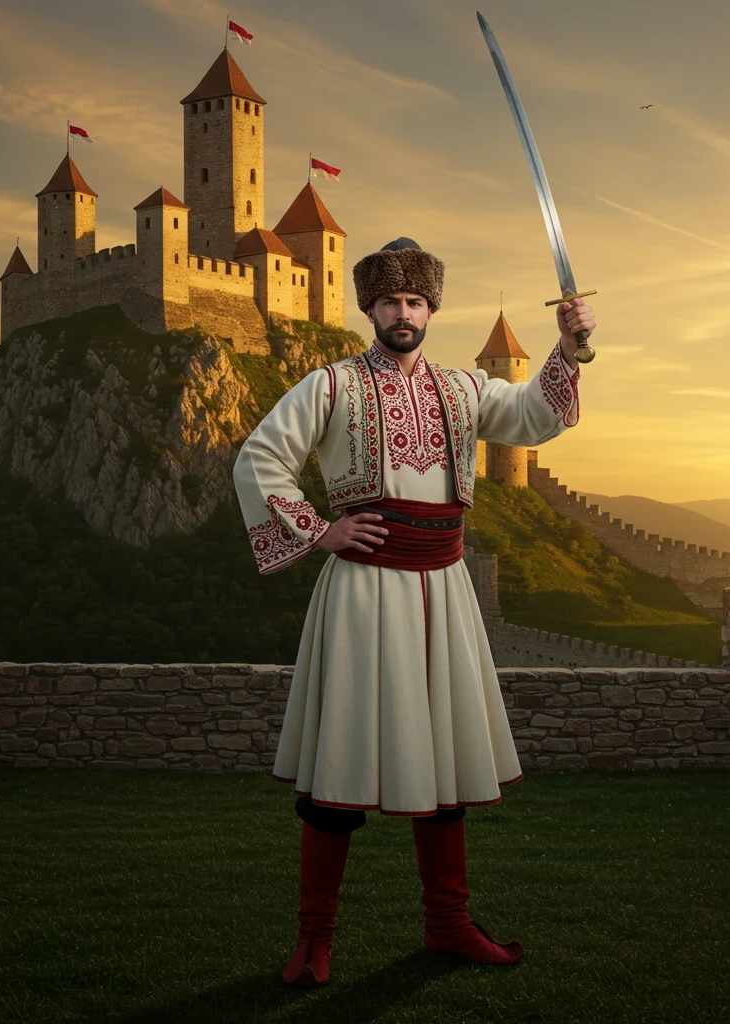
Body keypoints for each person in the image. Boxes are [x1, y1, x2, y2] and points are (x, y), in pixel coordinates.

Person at [232, 237, 595, 988]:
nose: (404, 314)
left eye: (417, 303)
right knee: (341, 759)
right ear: (371, 308)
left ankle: (449, 927)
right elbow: (259, 458)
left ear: (433, 310)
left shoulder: (464, 390)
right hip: (363, 593)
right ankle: (313, 940)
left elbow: (535, 415)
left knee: (444, 761)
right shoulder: (328, 385)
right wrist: (320, 529)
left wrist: (568, 346)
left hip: (446, 590)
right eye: (392, 302)